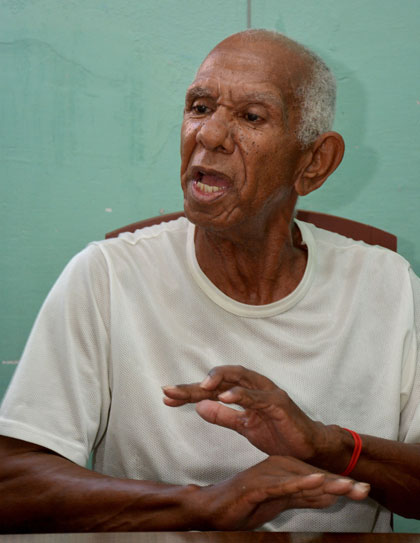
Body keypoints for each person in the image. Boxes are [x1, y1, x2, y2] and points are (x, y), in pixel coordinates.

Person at [0, 29, 419, 533]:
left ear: (314, 162)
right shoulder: (108, 276)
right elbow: (12, 483)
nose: (210, 135)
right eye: (200, 107)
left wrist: (327, 445)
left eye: (250, 117)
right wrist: (199, 506)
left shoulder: (386, 285)